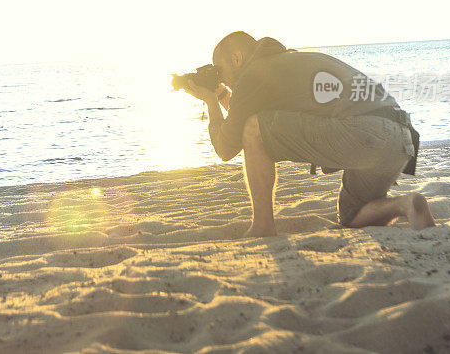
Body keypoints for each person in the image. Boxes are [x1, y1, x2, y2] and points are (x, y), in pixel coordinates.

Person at [183, 31, 436, 237]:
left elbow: (226, 147)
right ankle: (405, 205)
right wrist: (220, 95)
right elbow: (242, 118)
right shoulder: (280, 65)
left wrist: (210, 102)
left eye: (220, 71)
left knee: (254, 128)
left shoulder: (253, 74)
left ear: (237, 59)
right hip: (401, 139)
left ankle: (263, 227)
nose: (223, 80)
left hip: (366, 133)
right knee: (352, 217)